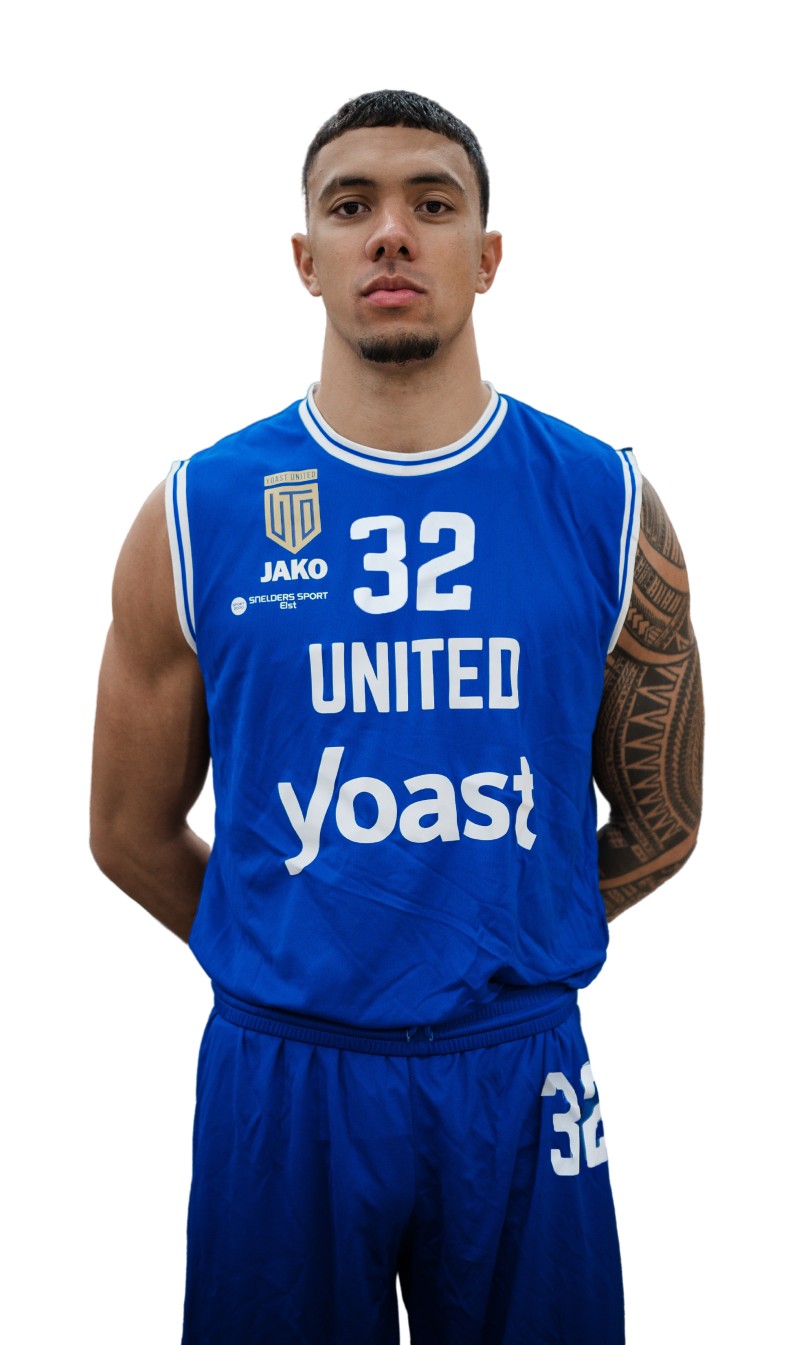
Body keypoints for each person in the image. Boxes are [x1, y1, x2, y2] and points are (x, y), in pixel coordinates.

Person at [90, 90, 704, 1345]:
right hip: (284, 1074)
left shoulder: (607, 504)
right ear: (304, 258)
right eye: (350, 205)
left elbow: (665, 815)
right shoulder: (200, 513)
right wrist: (304, 949)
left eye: (432, 203)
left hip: (517, 1065)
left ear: (487, 255)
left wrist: (488, 930)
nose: (390, 233)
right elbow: (126, 831)